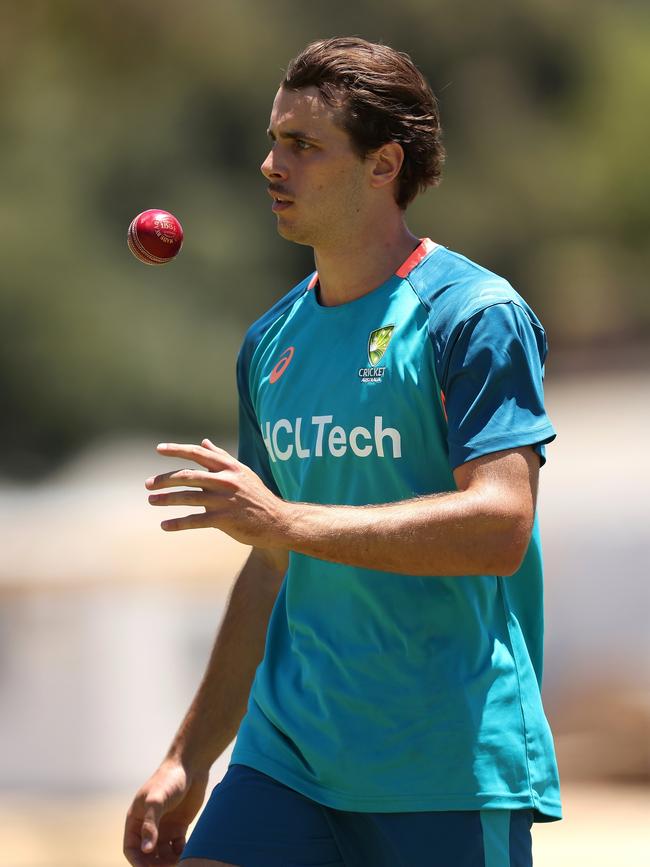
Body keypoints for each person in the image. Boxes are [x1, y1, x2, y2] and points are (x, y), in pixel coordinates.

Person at [123, 36, 561, 867]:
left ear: (382, 164)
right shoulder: (271, 343)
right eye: (272, 138)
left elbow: (501, 524)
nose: (269, 164)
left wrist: (285, 519)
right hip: (289, 755)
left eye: (302, 144)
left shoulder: (473, 315)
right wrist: (189, 754)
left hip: (445, 762)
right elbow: (271, 561)